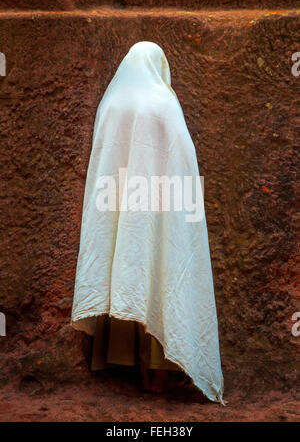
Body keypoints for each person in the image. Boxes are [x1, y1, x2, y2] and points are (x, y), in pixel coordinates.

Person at [71, 41, 225, 403]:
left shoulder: (111, 104)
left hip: (120, 206)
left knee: (127, 278)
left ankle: (132, 366)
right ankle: (158, 375)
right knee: (162, 276)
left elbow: (103, 163)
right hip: (161, 205)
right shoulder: (161, 102)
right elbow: (182, 156)